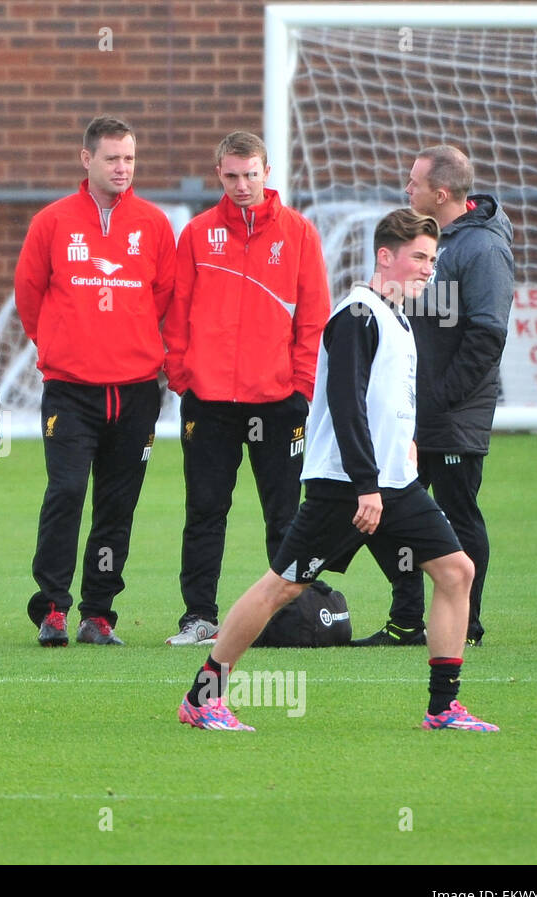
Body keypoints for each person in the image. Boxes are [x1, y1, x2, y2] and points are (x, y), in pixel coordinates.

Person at [177, 209, 497, 732]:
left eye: (432, 259)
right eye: (418, 257)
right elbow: (345, 405)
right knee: (283, 586)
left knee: (456, 570)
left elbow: (385, 401)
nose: (427, 269)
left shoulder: (396, 316)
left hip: (394, 483)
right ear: (384, 257)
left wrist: (407, 442)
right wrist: (366, 486)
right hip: (346, 487)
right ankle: (203, 696)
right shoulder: (356, 316)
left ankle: (443, 708)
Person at [163, 131, 330, 647]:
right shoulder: (196, 234)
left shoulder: (299, 234)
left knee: (285, 514)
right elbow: (177, 309)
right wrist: (181, 373)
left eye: (250, 174)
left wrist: (302, 385)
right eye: (232, 175)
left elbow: (314, 318)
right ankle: (198, 617)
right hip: (208, 402)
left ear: (267, 172)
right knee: (205, 511)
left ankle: (293, 616)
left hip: (279, 402)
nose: (241, 185)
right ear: (219, 174)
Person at [15, 116, 176, 648]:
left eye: (129, 158)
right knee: (65, 493)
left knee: (117, 503)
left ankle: (99, 613)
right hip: (72, 391)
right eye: (112, 158)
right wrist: (65, 345)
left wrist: (130, 345)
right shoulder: (52, 222)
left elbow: (163, 297)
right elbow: (30, 297)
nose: (123, 168)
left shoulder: (153, 224)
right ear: (87, 160)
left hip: (134, 392)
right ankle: (53, 608)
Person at [352, 146, 515, 648]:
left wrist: (439, 398)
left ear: (440, 193)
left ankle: (465, 626)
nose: (407, 189)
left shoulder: (482, 250)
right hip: (411, 411)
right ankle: (407, 620)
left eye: (414, 182)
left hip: (451, 414)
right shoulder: (427, 241)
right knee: (384, 511)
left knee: (456, 513)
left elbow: (488, 334)